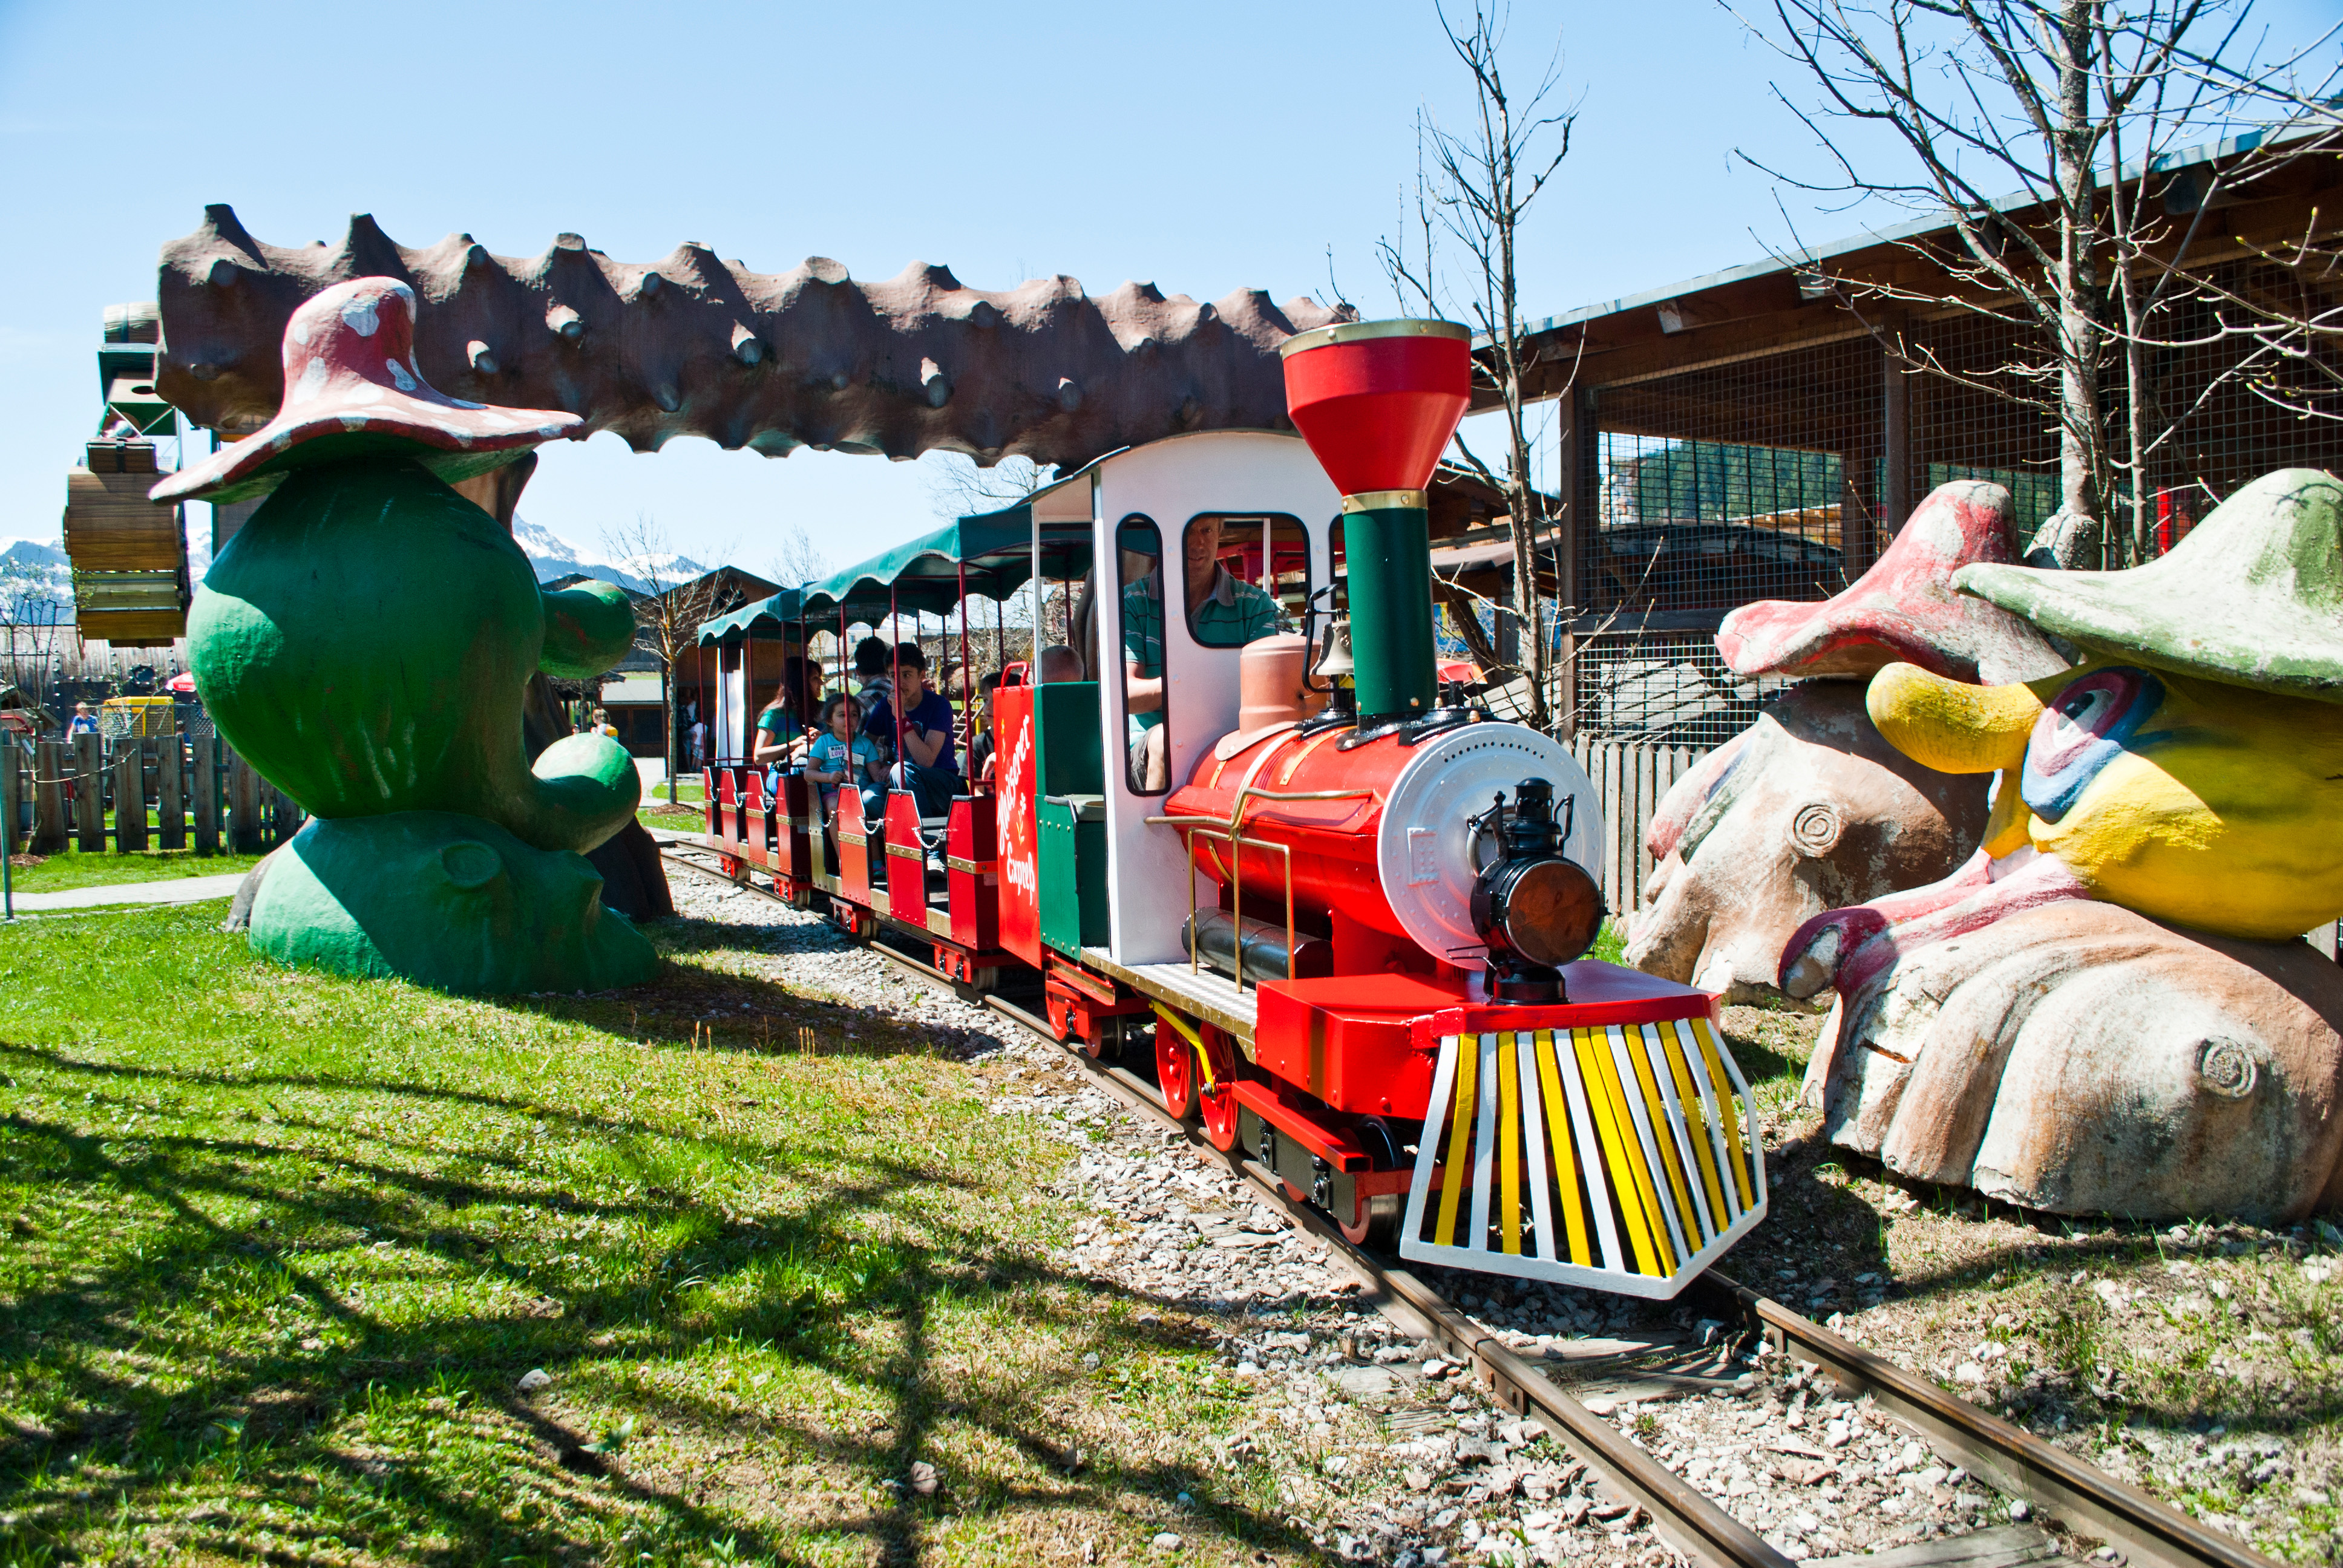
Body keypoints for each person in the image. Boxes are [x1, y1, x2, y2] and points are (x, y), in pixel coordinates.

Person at [1121, 516, 1288, 788]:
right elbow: (1126, 696)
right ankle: (1152, 831)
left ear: (1220, 532)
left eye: (1207, 530)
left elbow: (1269, 692)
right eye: (1187, 530)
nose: (1197, 542)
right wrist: (1188, 686)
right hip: (1147, 746)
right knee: (1168, 743)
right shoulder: (1133, 602)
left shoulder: (1255, 604)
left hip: (1233, 738)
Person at [863, 642, 962, 819]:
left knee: (901, 770)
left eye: (906, 675)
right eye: (894, 676)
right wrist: (879, 768)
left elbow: (926, 760)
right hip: (900, 781)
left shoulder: (939, 705)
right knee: (870, 798)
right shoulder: (885, 706)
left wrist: (901, 717)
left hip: (942, 783)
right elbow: (864, 745)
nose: (899, 683)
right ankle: (907, 824)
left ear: (921, 675)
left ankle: (922, 838)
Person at [805, 690, 885, 822]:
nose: (849, 719)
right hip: (834, 793)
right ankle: (838, 844)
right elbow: (809, 774)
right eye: (842, 715)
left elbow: (876, 776)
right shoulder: (824, 742)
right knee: (835, 808)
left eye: (854, 715)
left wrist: (888, 772)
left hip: (861, 792)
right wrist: (829, 777)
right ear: (830, 721)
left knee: (867, 805)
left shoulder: (865, 744)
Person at [968, 671, 1003, 785]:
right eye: (985, 700)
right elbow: (979, 794)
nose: (988, 707)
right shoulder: (978, 745)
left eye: (996, 700)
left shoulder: (1029, 739)